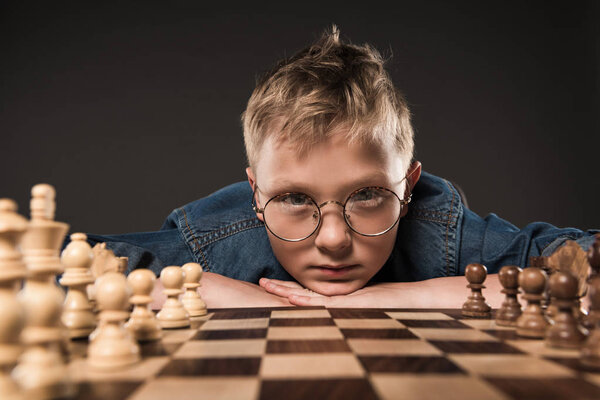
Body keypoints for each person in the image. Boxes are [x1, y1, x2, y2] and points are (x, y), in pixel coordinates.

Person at [84, 26, 597, 309]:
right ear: (255, 195)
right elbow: (47, 264)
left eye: (369, 195)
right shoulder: (221, 239)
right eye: (294, 199)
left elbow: (587, 263)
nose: (332, 239)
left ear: (410, 186)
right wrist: (214, 288)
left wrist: (392, 298)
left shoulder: (439, 231)